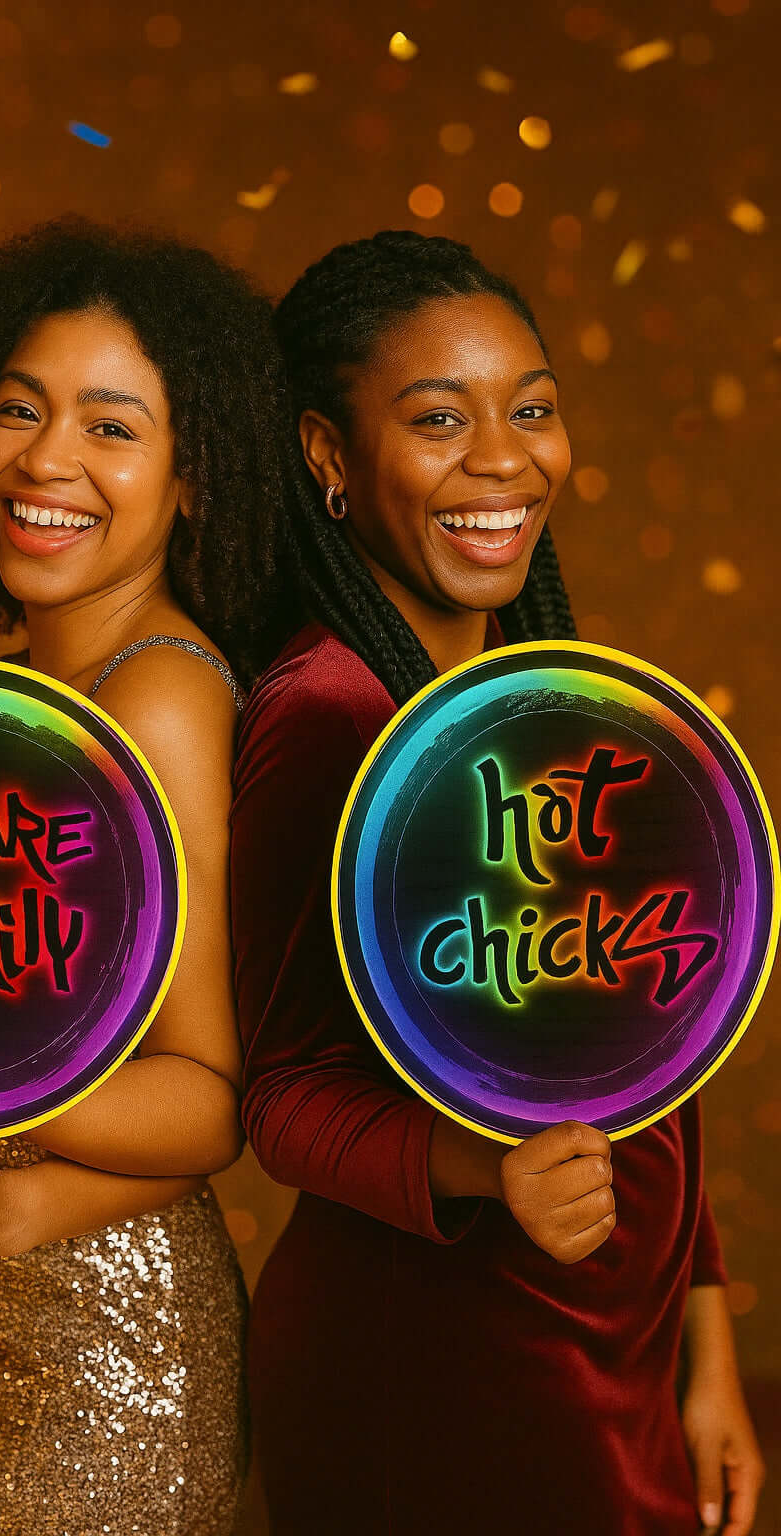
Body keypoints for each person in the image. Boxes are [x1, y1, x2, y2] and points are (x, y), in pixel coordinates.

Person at [229, 230, 765, 1536]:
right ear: (326, 455)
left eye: (530, 409)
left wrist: (704, 1344)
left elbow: (651, 1035)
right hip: (452, 1371)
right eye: (438, 419)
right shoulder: (330, 712)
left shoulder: (539, 681)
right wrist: (479, 1165)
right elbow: (281, 1096)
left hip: (614, 1352)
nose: (504, 460)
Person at [0, 217, 296, 1536]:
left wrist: (4, 1199)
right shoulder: (11, 701)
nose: (46, 459)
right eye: (19, 409)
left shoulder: (162, 703)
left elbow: (209, 1100)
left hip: (107, 1371)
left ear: (193, 477)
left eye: (111, 426)